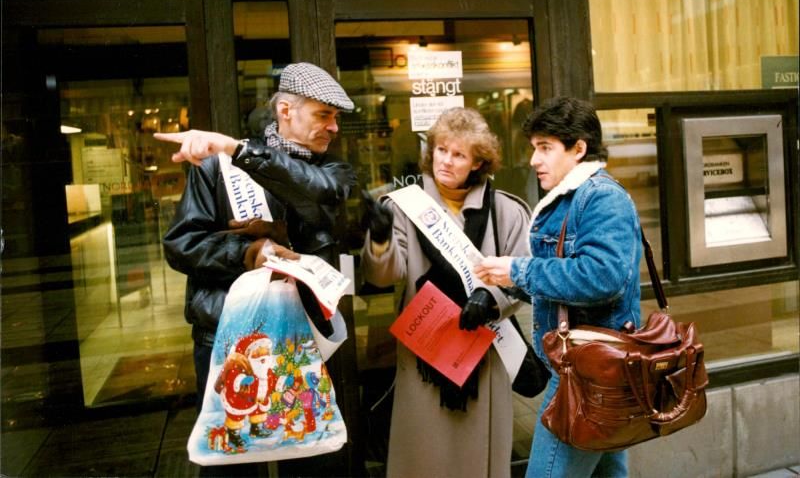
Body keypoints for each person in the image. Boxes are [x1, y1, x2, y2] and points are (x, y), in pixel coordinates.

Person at [155, 62, 358, 475]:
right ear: (286, 110)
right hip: (229, 337)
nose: (334, 127)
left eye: (336, 117)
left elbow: (317, 192)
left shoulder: (332, 171)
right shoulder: (216, 170)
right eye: (324, 114)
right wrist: (246, 251)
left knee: (311, 455)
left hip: (306, 339)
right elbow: (181, 245)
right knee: (234, 458)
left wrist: (237, 150)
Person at [474, 97, 643, 478]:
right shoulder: (569, 200)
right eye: (535, 148)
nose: (534, 160)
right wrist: (502, 284)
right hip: (587, 371)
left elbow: (603, 277)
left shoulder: (601, 198)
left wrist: (519, 271)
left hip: (587, 376)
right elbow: (563, 278)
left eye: (545, 148)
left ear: (579, 149)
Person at [360, 107, 532, 478]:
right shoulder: (404, 207)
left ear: (478, 162)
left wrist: (490, 300)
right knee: (425, 458)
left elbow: (525, 278)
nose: (446, 161)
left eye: (459, 154)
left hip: (484, 355)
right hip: (425, 353)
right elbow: (386, 275)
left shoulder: (507, 211)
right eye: (441, 150)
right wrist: (379, 239)